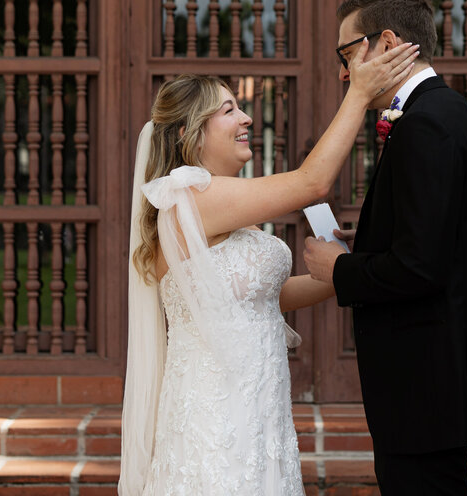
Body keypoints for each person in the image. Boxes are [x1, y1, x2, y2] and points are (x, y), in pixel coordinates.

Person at [119, 39, 420, 496]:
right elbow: (312, 182)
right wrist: (359, 93)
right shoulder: (191, 196)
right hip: (215, 424)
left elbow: (263, 300)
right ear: (187, 131)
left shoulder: (217, 205)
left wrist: (348, 269)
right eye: (228, 110)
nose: (246, 119)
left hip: (260, 417)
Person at [304, 0, 467, 496]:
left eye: (346, 55)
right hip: (436, 380)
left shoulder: (425, 126)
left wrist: (341, 271)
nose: (342, 73)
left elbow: (421, 267)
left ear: (387, 42)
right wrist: (372, 240)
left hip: (423, 384)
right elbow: (437, 237)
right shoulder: (447, 113)